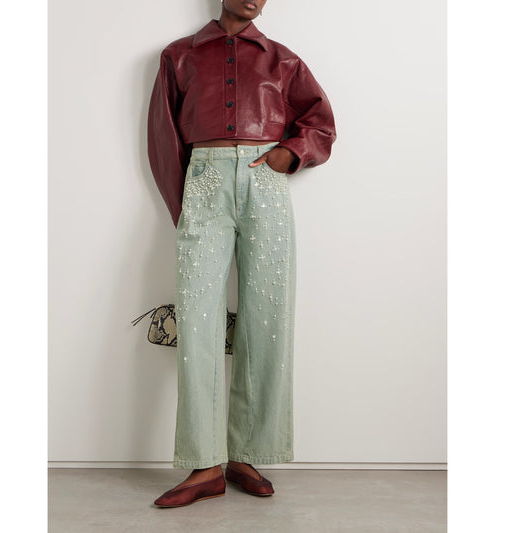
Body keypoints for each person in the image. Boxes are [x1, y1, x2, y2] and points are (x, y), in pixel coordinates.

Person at [147, 0, 336, 508]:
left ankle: (247, 454)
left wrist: (291, 152)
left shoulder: (283, 59)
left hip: (265, 180)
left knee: (267, 316)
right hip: (204, 180)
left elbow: (320, 123)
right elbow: (163, 138)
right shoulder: (179, 56)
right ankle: (205, 463)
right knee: (196, 318)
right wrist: (187, 207)